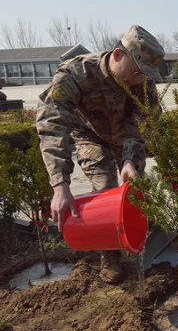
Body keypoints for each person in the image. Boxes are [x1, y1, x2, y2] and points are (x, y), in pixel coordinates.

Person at [36, 25, 165, 284]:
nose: (139, 79)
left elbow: (143, 123)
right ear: (118, 55)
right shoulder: (75, 74)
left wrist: (130, 159)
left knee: (134, 190)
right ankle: (111, 255)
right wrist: (60, 185)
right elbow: (52, 125)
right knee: (105, 189)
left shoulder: (143, 82)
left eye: (145, 75)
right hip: (89, 135)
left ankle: (142, 237)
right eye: (136, 71)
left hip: (126, 137)